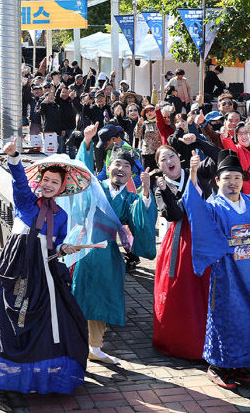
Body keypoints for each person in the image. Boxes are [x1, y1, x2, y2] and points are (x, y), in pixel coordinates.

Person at [0, 140, 89, 394]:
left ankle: (39, 377)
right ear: (40, 180)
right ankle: (2, 371)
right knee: (7, 317)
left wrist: (63, 249)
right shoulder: (26, 202)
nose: (49, 185)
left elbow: (54, 247)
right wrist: (14, 158)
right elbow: (20, 183)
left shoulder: (62, 216)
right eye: (46, 179)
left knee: (52, 320)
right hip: (16, 268)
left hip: (44, 273)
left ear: (62, 187)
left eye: (55, 182)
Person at [183, 150, 250, 388]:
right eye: (228, 178)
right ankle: (220, 365)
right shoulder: (213, 206)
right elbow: (194, 210)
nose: (233, 183)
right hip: (229, 272)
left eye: (237, 178)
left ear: (243, 180)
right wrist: (193, 174)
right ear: (217, 181)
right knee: (230, 317)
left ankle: (243, 362)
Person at [72, 145, 157, 364]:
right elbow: (80, 176)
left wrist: (146, 192)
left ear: (131, 174)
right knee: (78, 295)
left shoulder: (130, 198)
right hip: (82, 248)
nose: (121, 169)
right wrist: (88, 144)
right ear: (108, 167)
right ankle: (75, 342)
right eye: (117, 164)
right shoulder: (94, 187)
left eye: (127, 166)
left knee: (104, 297)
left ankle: (95, 346)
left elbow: (140, 218)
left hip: (108, 252)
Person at [151, 145, 213, 360]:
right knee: (180, 288)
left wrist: (199, 139)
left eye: (172, 155)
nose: (169, 160)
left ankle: (210, 340)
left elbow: (219, 159)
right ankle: (182, 340)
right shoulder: (160, 188)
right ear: (159, 167)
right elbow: (175, 215)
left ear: (179, 158)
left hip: (204, 237)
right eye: (163, 159)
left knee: (206, 288)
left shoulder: (196, 172)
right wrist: (167, 192)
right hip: (179, 242)